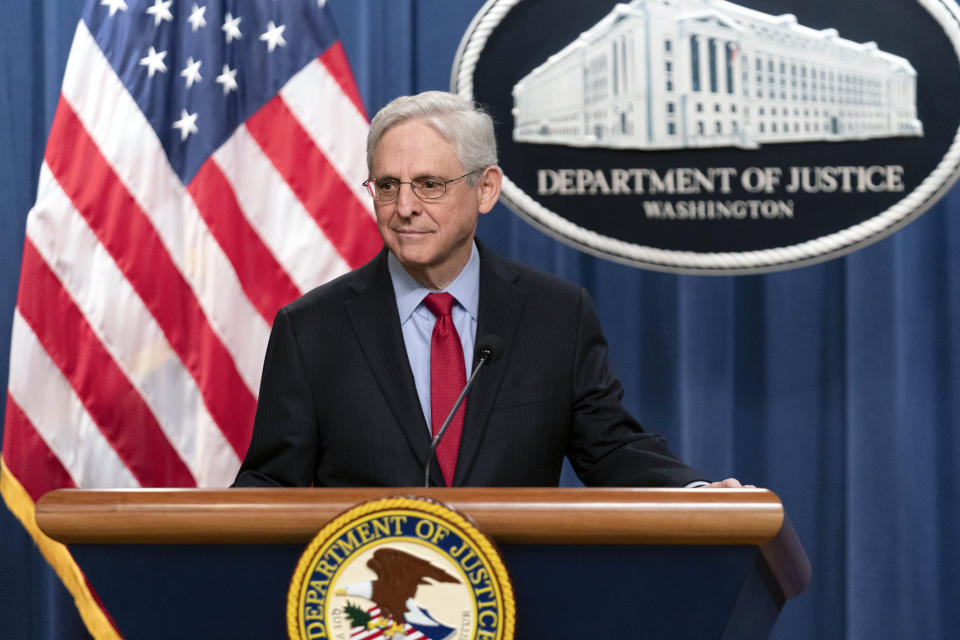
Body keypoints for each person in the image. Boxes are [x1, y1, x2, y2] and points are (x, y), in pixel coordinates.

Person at [233, 90, 745, 489]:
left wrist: (697, 490)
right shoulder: (312, 329)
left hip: (516, 602)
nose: (404, 206)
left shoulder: (556, 316)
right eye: (387, 185)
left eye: (429, 184)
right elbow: (272, 482)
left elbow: (609, 450)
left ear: (486, 189)